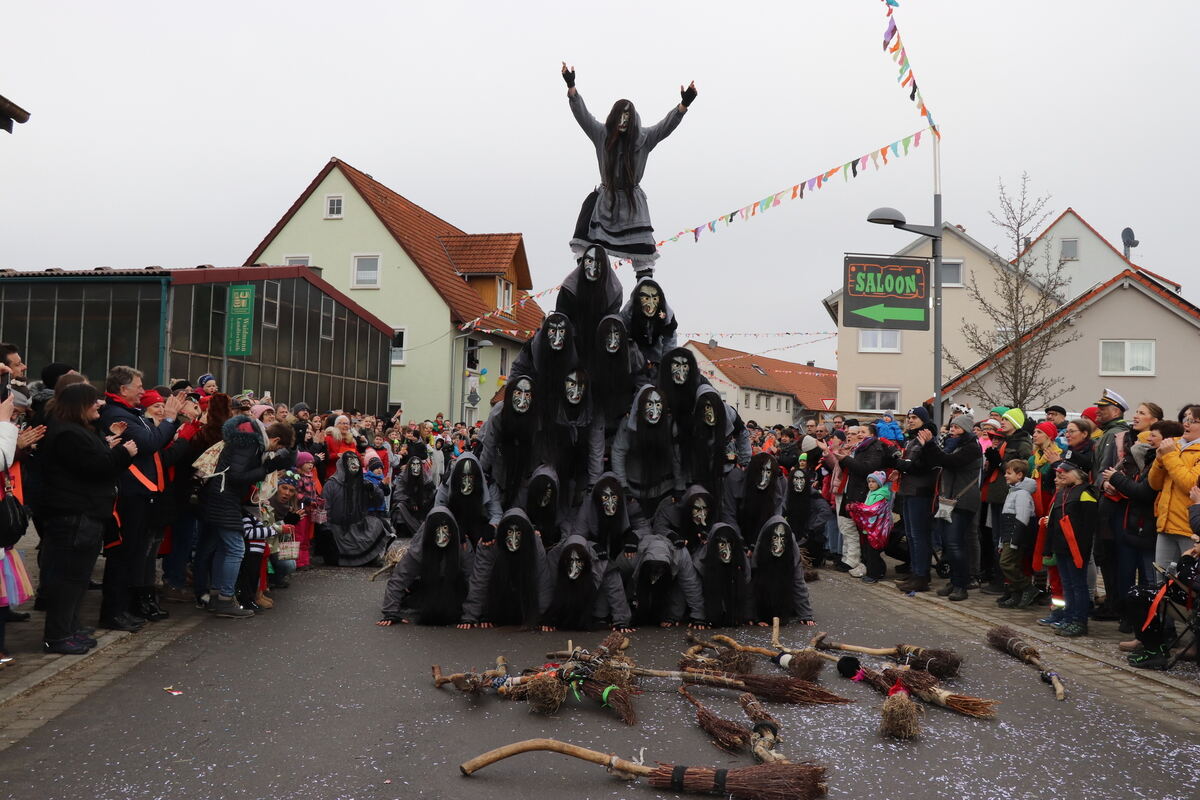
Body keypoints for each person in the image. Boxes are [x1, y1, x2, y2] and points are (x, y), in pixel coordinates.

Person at [562, 62, 696, 276]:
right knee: (586, 224)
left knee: (642, 254)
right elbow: (583, 115)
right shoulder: (602, 135)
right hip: (606, 201)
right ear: (614, 117)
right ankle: (587, 275)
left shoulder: (644, 138)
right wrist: (571, 87)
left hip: (632, 205)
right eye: (620, 116)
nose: (624, 121)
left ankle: (644, 281)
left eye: (628, 117)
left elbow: (665, 126)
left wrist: (683, 105)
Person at [97, 366, 185, 631]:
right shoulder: (116, 413)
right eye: (138, 386)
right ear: (123, 389)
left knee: (133, 555)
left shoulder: (129, 413)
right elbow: (149, 443)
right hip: (130, 494)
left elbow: (151, 439)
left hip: (140, 494)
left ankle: (124, 608)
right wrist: (169, 420)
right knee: (123, 555)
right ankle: (114, 612)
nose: (142, 391)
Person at [199, 411, 293, 618]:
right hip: (224, 498)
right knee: (236, 549)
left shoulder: (249, 440)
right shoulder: (250, 443)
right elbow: (236, 475)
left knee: (224, 548)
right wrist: (265, 468)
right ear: (275, 440)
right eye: (277, 448)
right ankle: (225, 599)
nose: (274, 452)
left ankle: (217, 596)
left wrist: (268, 465)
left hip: (221, 497)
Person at [917, 413, 983, 601]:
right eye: (952, 427)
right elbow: (936, 460)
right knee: (950, 544)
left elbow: (949, 462)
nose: (952, 430)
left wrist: (930, 444)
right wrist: (927, 446)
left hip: (963, 501)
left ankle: (962, 585)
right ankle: (955, 581)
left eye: (956, 427)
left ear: (966, 429)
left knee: (955, 543)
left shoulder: (971, 447)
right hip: (950, 500)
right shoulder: (954, 445)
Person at [378, 506, 473, 626]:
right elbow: (399, 578)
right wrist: (390, 612)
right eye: (438, 532)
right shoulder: (419, 549)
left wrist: (471, 616)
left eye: (445, 531)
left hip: (454, 586)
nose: (442, 537)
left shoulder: (462, 545)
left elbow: (472, 579)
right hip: (427, 585)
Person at [458, 508, 548, 630]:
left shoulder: (534, 543)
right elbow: (481, 579)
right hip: (499, 596)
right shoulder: (491, 543)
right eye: (510, 532)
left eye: (518, 533)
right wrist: (470, 616)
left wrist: (544, 618)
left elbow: (542, 580)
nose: (513, 539)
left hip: (524, 596)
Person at [1088, 389, 1132, 622]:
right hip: (1106, 499)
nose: (1098, 412)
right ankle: (1114, 602)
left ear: (1116, 411)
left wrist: (1100, 485)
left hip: (1109, 501)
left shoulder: (1114, 434)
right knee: (1106, 555)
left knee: (1107, 554)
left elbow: (1105, 469)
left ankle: (1115, 604)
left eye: (1102, 409)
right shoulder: (1109, 432)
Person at [1041, 462, 1098, 637]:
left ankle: (1079, 621)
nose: (1060, 476)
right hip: (1061, 547)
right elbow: (1053, 524)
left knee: (1078, 585)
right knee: (1067, 584)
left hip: (1076, 549)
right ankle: (1068, 617)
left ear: (1079, 474)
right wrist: (1048, 548)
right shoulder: (1062, 493)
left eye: (1065, 472)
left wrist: (1081, 550)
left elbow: (1089, 527)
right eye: (1059, 473)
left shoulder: (1086, 493)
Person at [611, 385, 682, 513]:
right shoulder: (628, 425)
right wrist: (622, 485)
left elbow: (676, 456)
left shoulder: (670, 424)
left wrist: (680, 486)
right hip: (634, 491)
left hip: (664, 490)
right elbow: (618, 452)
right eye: (649, 404)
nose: (654, 410)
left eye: (658, 405)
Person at [555, 243, 624, 373]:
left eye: (598, 262)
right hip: (571, 345)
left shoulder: (614, 291)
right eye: (589, 261)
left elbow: (612, 322)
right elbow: (561, 319)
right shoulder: (569, 288)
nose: (593, 267)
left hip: (600, 349)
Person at [894, 407, 939, 593]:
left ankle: (921, 575)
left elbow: (920, 466)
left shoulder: (927, 439)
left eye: (914, 417)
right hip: (909, 490)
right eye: (909, 417)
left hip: (920, 491)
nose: (910, 420)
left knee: (919, 536)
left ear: (924, 420)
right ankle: (915, 571)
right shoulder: (913, 439)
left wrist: (900, 464)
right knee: (911, 535)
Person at [320, 451, 390, 567]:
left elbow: (378, 501)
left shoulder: (362, 483)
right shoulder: (331, 484)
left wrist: (373, 490)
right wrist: (326, 530)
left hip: (358, 526)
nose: (354, 465)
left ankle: (371, 556)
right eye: (350, 462)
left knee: (382, 524)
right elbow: (324, 509)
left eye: (356, 462)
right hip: (338, 530)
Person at [628, 532, 706, 628]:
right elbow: (616, 585)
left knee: (677, 587)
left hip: (669, 576)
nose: (655, 577)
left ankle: (667, 615)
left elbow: (691, 584)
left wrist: (698, 616)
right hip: (640, 577)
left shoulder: (681, 554)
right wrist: (622, 620)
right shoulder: (632, 555)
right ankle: (636, 615)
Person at [748, 517, 815, 627]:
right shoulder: (760, 551)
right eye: (775, 538)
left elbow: (798, 581)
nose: (779, 546)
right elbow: (751, 584)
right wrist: (753, 616)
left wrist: (806, 614)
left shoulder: (792, 551)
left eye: (782, 539)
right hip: (763, 593)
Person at [995, 460, 1038, 608]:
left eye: (1009, 473)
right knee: (1014, 564)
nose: (1005, 475)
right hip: (1009, 534)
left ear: (1019, 475)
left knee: (1006, 563)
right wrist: (1002, 541)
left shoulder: (1022, 494)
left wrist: (1014, 540)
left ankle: (1027, 587)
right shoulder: (1012, 492)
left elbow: (1022, 517)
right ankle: (1016, 593)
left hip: (1015, 536)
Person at [436, 452, 502, 547]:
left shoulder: (488, 484)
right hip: (454, 521)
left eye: (470, 477)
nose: (467, 482)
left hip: (479, 522)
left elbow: (496, 513)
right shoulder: (447, 483)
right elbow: (438, 510)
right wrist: (451, 529)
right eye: (463, 476)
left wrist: (491, 528)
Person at [692, 522, 750, 628]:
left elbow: (747, 587)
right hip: (709, 607)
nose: (727, 550)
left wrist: (747, 616)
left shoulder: (741, 559)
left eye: (730, 544)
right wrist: (699, 617)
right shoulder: (700, 562)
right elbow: (695, 590)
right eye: (722, 544)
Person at [620, 279, 678, 375]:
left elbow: (670, 340)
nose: (651, 304)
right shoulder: (628, 314)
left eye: (654, 299)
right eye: (646, 298)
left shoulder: (666, 316)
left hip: (657, 360)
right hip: (634, 361)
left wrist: (666, 364)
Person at [652, 484, 713, 553]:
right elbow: (658, 527)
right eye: (697, 508)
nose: (702, 514)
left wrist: (703, 532)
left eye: (705, 509)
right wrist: (671, 535)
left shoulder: (709, 514)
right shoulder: (670, 508)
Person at [391, 455, 435, 538]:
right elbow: (397, 494)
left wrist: (423, 500)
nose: (416, 467)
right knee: (399, 507)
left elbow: (432, 496)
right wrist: (410, 500)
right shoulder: (403, 478)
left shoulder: (426, 479)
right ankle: (403, 530)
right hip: (408, 506)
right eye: (413, 465)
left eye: (418, 465)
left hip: (422, 508)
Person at [323, 415, 358, 480]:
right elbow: (324, 456)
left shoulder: (351, 441)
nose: (346, 426)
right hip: (333, 475)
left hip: (349, 475)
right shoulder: (328, 438)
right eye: (343, 423)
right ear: (336, 425)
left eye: (347, 424)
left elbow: (356, 454)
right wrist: (336, 455)